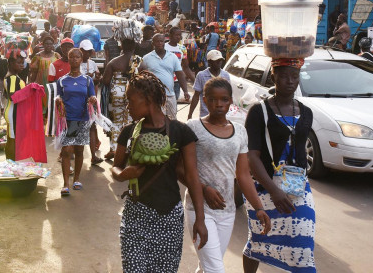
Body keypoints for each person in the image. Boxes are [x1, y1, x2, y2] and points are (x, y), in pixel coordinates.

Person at [110, 70, 207, 273]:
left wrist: (200, 219)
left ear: (147, 99)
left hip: (169, 217)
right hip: (136, 216)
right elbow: (116, 167)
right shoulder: (129, 132)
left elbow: (191, 176)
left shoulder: (181, 132)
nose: (127, 106)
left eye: (131, 100)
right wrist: (122, 174)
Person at [186, 77, 271, 273]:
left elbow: (243, 175)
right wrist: (204, 189)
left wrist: (259, 207)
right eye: (212, 99)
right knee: (215, 269)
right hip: (199, 208)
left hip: (227, 209)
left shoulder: (240, 131)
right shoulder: (193, 127)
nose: (219, 104)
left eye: (224, 99)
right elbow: (182, 170)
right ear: (204, 100)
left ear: (231, 101)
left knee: (207, 266)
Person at [242, 58, 316, 273]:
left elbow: (300, 150)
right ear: (273, 76)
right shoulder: (259, 112)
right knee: (258, 239)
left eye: (295, 76)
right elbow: (252, 156)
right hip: (264, 186)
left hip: (298, 187)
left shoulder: (306, 112)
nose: (290, 81)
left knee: (303, 243)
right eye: (284, 76)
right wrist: (274, 191)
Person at [54, 48, 98, 196]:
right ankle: (65, 184)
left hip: (83, 119)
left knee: (79, 150)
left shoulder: (87, 80)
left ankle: (77, 179)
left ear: (81, 59)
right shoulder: (62, 80)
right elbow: (58, 96)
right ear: (68, 59)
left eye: (77, 57)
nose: (74, 59)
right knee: (67, 151)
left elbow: (92, 95)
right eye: (71, 57)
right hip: (69, 120)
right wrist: (58, 100)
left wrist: (92, 99)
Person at [100, 38, 141, 159]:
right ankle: (129, 150)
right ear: (134, 47)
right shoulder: (139, 61)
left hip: (117, 92)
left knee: (116, 122)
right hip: (133, 93)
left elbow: (106, 81)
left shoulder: (114, 62)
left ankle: (114, 149)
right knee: (130, 122)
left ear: (121, 46)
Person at [139, 34, 190, 120]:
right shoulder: (146, 58)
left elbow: (180, 74)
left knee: (172, 120)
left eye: (161, 41)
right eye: (157, 41)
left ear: (164, 42)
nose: (159, 43)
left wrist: (185, 91)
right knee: (156, 120)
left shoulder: (172, 57)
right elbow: (140, 74)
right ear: (153, 43)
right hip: (154, 96)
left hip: (170, 95)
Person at [188, 50, 232, 120]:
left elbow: (229, 96)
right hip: (205, 115)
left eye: (220, 60)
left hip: (222, 115)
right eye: (216, 60)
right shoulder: (201, 75)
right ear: (209, 62)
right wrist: (190, 114)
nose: (219, 62)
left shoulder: (225, 75)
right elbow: (196, 96)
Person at [3, 50, 27, 161]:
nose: (22, 65)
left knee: (11, 137)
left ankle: (10, 161)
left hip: (11, 110)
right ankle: (12, 162)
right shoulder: (13, 78)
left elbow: (6, 94)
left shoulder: (10, 76)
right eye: (19, 63)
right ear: (11, 63)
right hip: (13, 111)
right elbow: (12, 96)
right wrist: (28, 93)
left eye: (23, 63)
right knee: (13, 138)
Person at [165, 27, 194, 103]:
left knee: (174, 104)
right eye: (176, 35)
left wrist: (195, 81)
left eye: (179, 35)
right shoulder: (163, 47)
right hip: (164, 80)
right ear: (170, 35)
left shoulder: (182, 48)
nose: (178, 37)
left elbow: (186, 67)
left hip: (176, 82)